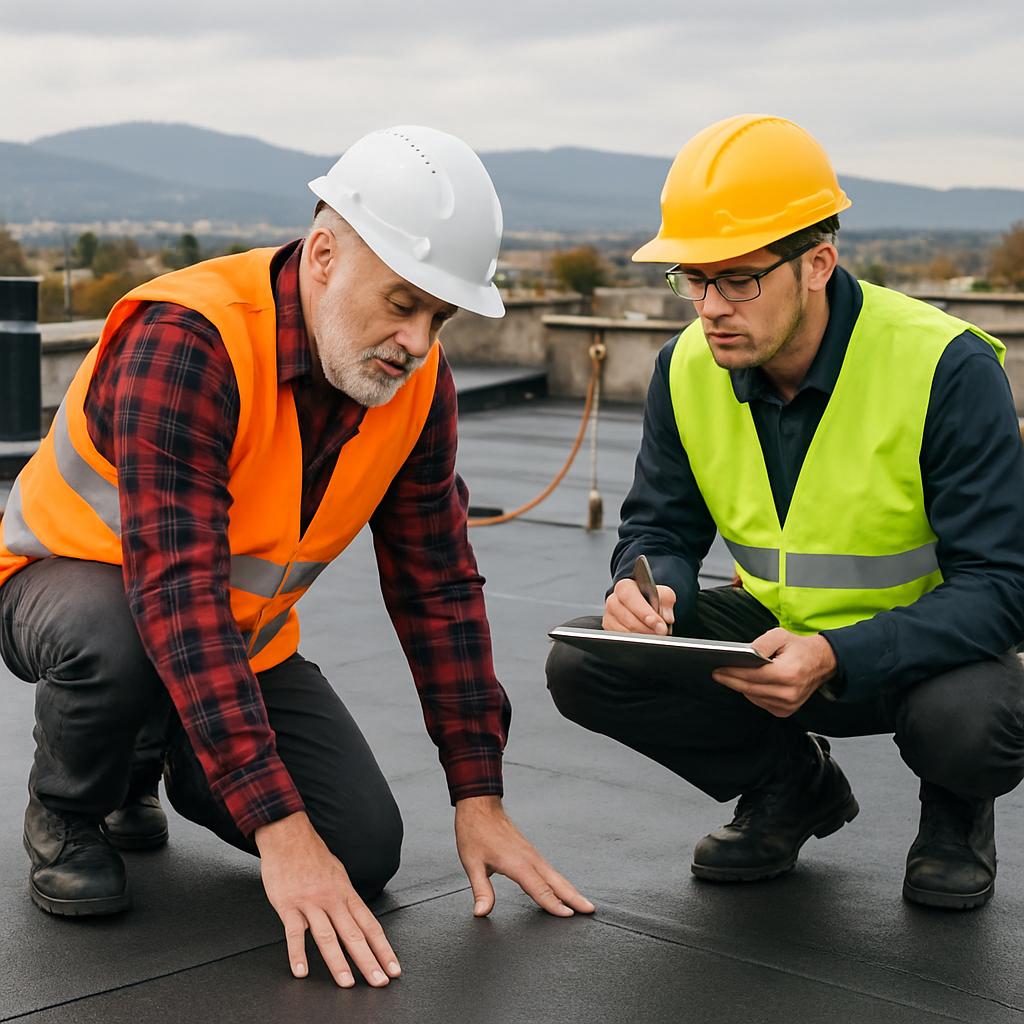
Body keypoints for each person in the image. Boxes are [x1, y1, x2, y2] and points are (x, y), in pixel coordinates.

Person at [0, 125, 592, 987]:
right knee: (119, 635)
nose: (420, 342)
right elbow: (176, 592)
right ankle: (71, 810)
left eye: (440, 315)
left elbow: (439, 586)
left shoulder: (415, 386)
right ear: (322, 254)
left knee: (358, 849)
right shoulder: (189, 341)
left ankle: (155, 744)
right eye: (402, 303)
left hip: (231, 639)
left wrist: (478, 794)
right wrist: (278, 831)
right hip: (69, 591)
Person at [546, 114, 1024, 911]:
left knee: (974, 722)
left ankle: (954, 810)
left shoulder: (946, 366)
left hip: (924, 655)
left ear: (818, 264)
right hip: (776, 637)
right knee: (588, 663)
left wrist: (836, 653)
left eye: (737, 279)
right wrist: (652, 589)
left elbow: (1003, 588)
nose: (709, 307)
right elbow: (660, 525)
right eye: (692, 279)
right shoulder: (687, 368)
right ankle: (791, 786)